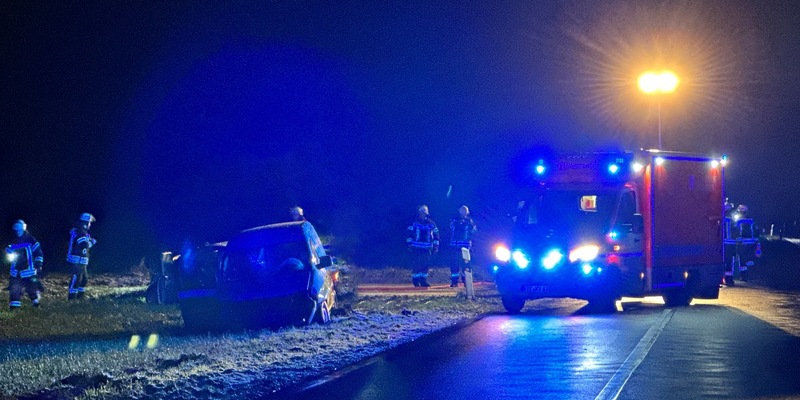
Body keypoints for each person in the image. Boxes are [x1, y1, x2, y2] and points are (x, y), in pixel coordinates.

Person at [6, 220, 43, 310]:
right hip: (16, 270)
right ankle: (14, 307)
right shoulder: (13, 240)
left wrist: (39, 264)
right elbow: (8, 251)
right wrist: (8, 251)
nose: (18, 232)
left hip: (29, 270)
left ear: (23, 229)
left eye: (19, 230)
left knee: (32, 289)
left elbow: (38, 253)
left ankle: (36, 304)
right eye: (16, 230)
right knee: (14, 289)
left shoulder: (31, 240)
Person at [406, 205, 440, 287]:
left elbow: (436, 235)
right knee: (416, 264)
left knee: (425, 264)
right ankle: (415, 280)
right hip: (416, 247)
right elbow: (409, 234)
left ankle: (423, 280)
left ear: (427, 213)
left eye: (424, 213)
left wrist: (436, 246)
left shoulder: (431, 223)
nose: (422, 214)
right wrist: (409, 244)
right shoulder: (414, 223)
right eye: (421, 212)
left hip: (427, 248)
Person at [66, 213, 97, 300]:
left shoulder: (84, 232)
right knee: (76, 279)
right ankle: (71, 298)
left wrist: (90, 241)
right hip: (76, 260)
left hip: (82, 261)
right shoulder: (78, 231)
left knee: (84, 279)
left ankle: (80, 297)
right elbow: (83, 244)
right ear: (85, 222)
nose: (90, 225)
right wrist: (91, 242)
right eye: (89, 222)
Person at [448, 205, 477, 287]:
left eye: (465, 211)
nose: (463, 213)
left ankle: (466, 281)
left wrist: (470, 240)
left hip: (466, 246)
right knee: (454, 264)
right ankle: (454, 281)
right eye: (462, 211)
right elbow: (450, 230)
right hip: (455, 246)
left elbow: (474, 231)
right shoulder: (454, 221)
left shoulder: (470, 222)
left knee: (466, 264)